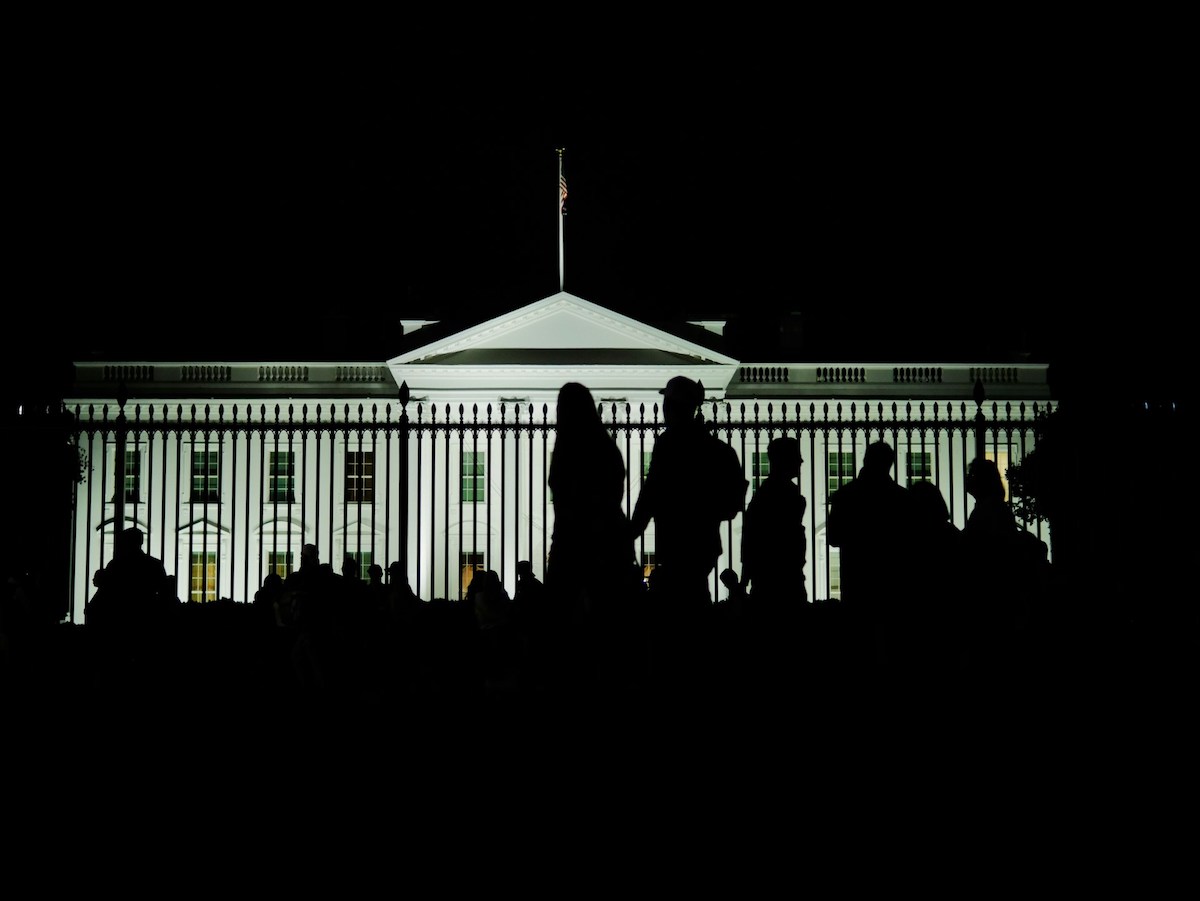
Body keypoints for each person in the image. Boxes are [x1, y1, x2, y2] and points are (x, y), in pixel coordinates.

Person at [630, 375, 747, 692]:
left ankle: (680, 682)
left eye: (666, 403)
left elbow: (651, 494)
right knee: (695, 609)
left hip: (679, 544)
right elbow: (733, 502)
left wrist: (631, 532)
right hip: (702, 545)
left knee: (678, 622)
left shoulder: (670, 444)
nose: (664, 409)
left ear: (674, 406)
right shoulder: (716, 449)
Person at [544, 382, 639, 692]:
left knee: (563, 626)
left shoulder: (567, 446)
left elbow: (561, 493)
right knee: (609, 628)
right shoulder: (605, 445)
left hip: (575, 543)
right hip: (605, 543)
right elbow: (616, 489)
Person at [826, 440, 916, 674]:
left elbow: (833, 538)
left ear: (865, 461)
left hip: (856, 584)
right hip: (893, 586)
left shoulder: (844, 496)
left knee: (858, 655)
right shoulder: (902, 498)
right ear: (889, 465)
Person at [740, 435, 808, 610]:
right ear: (784, 460)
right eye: (796, 456)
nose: (801, 460)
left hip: (777, 579)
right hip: (780, 580)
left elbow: (749, 540)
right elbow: (752, 540)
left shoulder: (769, 493)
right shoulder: (775, 494)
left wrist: (744, 580)